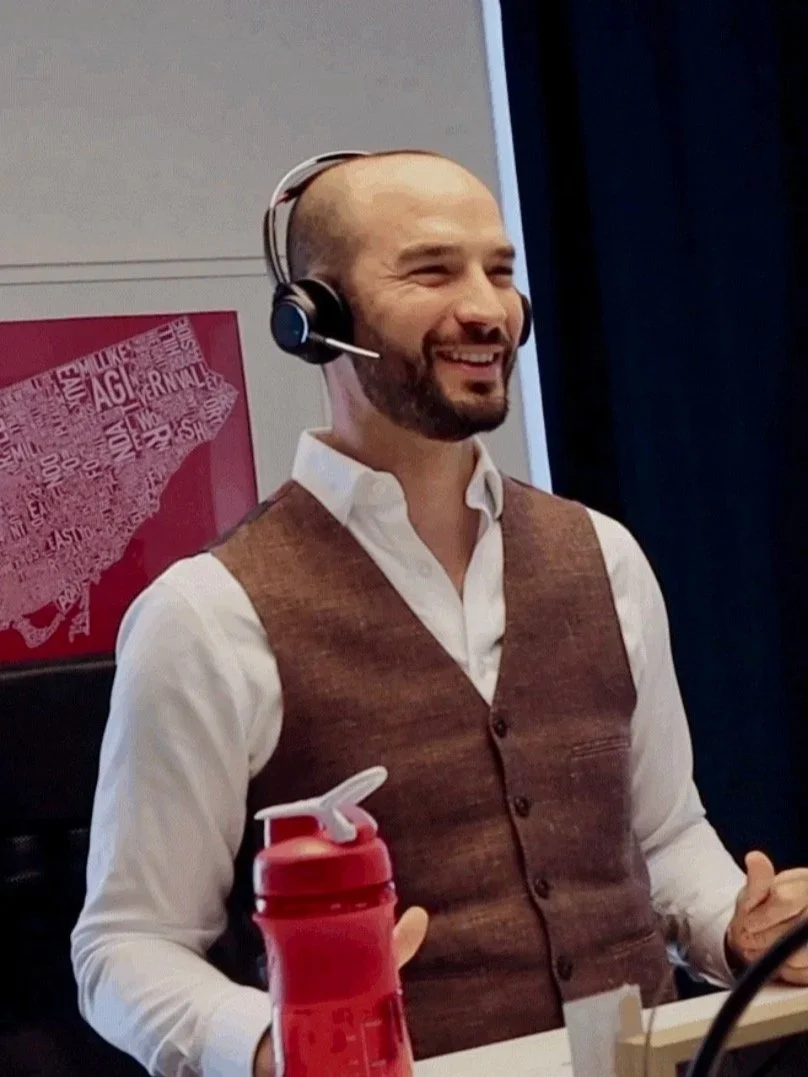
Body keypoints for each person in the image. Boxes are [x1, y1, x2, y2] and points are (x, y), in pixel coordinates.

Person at [72, 149, 808, 1077]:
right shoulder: (206, 615)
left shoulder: (605, 555)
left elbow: (661, 837)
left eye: (499, 270)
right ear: (315, 317)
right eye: (431, 271)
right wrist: (273, 1041)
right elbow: (125, 946)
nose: (487, 308)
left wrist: (739, 928)